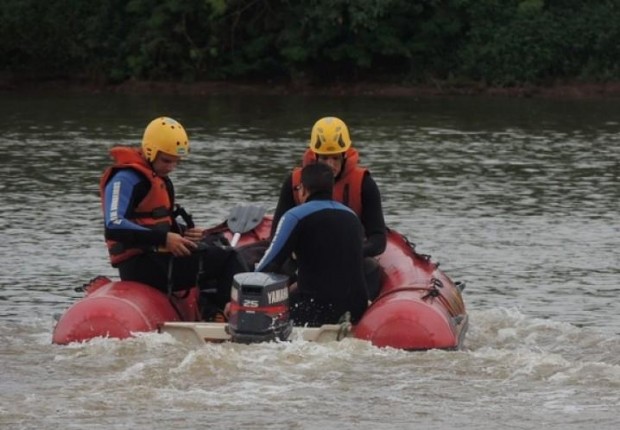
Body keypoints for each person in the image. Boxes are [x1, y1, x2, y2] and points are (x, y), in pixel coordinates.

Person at [100, 116, 246, 320]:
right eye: (166, 160)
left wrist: (183, 233)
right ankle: (227, 314)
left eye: (175, 162)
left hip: (157, 257)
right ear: (150, 151)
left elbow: (155, 222)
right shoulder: (125, 179)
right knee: (229, 258)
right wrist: (166, 239)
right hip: (140, 266)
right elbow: (113, 227)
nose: (170, 167)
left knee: (218, 243)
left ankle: (212, 312)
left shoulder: (157, 178)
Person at [271, 116, 387, 299]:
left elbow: (379, 239)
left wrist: (347, 253)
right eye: (325, 159)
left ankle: (364, 315)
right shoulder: (294, 182)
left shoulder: (364, 183)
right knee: (278, 271)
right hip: (304, 261)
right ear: (315, 156)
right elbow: (275, 236)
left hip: (348, 260)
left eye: (335, 158)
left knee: (371, 268)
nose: (330, 165)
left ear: (345, 156)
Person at [256, 163, 368, 326]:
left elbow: (269, 264)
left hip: (314, 309)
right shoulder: (352, 217)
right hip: (356, 309)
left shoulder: (295, 216)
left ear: (303, 189)